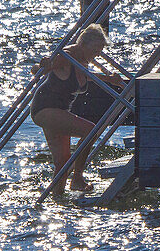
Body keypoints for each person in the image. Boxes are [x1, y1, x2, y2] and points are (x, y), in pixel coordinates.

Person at [30, 24, 109, 194]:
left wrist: (111, 80)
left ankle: (56, 200)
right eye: (96, 49)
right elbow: (39, 70)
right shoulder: (67, 55)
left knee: (63, 163)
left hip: (59, 111)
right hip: (45, 108)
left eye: (101, 50)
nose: (98, 54)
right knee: (91, 131)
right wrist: (42, 65)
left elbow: (86, 76)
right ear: (84, 45)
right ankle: (78, 178)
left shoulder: (82, 60)